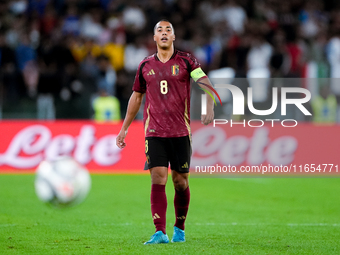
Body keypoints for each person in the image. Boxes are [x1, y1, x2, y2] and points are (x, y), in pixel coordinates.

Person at [116, 20, 214, 244]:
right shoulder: (145, 65)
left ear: (173, 37)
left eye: (167, 30)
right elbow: (136, 97)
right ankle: (160, 231)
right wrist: (124, 129)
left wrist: (209, 106)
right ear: (154, 38)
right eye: (159, 30)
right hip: (154, 131)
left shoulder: (187, 61)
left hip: (180, 132)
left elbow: (206, 83)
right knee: (157, 177)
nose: (163, 33)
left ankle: (179, 227)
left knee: (180, 182)